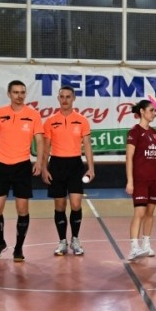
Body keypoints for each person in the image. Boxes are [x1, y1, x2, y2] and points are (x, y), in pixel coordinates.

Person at [0, 80, 44, 262]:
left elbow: (39, 140)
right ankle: (0, 242)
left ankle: (19, 247)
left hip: (22, 166)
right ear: (9, 94)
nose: (19, 96)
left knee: (22, 209)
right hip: (1, 165)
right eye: (16, 92)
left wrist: (39, 162)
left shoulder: (33, 115)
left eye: (22, 92)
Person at [42, 85, 95, 257]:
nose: (65, 100)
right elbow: (45, 147)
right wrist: (44, 168)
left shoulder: (82, 120)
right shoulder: (50, 121)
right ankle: (62, 241)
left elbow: (87, 145)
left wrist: (91, 168)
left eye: (68, 96)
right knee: (59, 205)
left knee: (76, 204)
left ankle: (75, 239)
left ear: (73, 98)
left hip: (75, 165)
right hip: (56, 165)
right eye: (62, 96)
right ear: (58, 99)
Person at [126, 99, 156, 260]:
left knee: (150, 212)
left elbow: (155, 154)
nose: (154, 113)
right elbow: (129, 158)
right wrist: (130, 181)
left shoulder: (155, 133)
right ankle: (134, 248)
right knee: (140, 212)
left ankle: (146, 244)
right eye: (151, 110)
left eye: (155, 111)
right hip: (140, 179)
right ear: (142, 112)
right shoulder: (134, 132)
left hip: (154, 178)